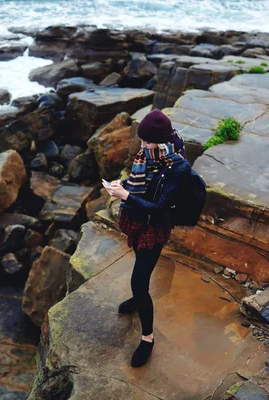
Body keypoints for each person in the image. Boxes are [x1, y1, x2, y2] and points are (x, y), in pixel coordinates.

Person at [104, 109, 190, 368]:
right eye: (141, 141)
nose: (141, 147)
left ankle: (148, 338)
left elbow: (161, 207)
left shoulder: (177, 166)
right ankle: (136, 297)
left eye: (147, 142)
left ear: (162, 141)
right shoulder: (150, 152)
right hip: (137, 220)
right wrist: (120, 185)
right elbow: (137, 181)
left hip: (154, 227)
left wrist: (125, 196)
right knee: (141, 266)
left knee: (139, 280)